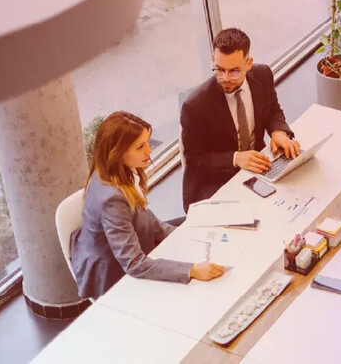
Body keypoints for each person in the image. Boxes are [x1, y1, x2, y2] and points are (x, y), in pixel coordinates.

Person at [70, 112, 225, 300]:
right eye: (140, 147)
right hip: (114, 271)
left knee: (199, 224)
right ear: (118, 153)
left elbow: (144, 216)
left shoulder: (116, 169)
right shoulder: (112, 199)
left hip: (133, 237)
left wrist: (182, 235)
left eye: (147, 143)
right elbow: (135, 264)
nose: (149, 152)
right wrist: (191, 270)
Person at [180, 28, 300, 212]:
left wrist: (279, 132)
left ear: (249, 63)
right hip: (217, 180)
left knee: (295, 198)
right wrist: (235, 158)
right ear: (213, 59)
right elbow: (195, 159)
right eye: (219, 70)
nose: (226, 78)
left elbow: (273, 111)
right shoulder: (195, 106)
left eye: (234, 71)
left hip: (259, 167)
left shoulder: (263, 75)